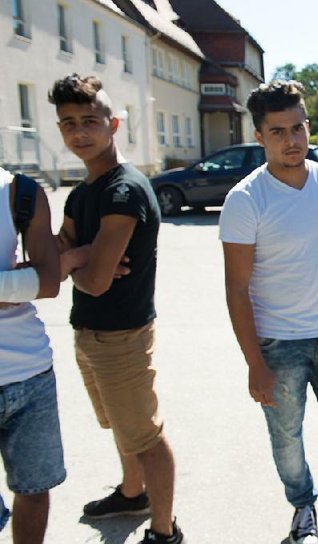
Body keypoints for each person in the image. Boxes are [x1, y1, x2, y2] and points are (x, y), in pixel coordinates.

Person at [219, 80, 318, 544]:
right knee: (287, 437)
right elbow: (236, 288)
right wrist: (254, 364)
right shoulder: (245, 200)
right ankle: (303, 509)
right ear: (260, 136)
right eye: (279, 131)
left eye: (299, 128)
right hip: (277, 346)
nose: (293, 140)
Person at [50, 74, 183, 544]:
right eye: (68, 123)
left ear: (114, 123)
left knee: (144, 435)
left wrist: (73, 258)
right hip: (88, 330)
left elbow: (93, 277)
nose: (78, 132)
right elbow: (58, 254)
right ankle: (132, 493)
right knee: (121, 426)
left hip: (120, 335)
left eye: (90, 120)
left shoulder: (123, 191)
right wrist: (76, 256)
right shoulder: (82, 192)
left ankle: (165, 531)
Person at [0, 168, 64, 543]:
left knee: (35, 490)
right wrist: (16, 285)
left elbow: (48, 282)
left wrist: (33, 282)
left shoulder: (20, 191)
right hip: (31, 372)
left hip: (31, 372)